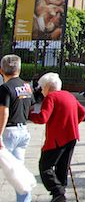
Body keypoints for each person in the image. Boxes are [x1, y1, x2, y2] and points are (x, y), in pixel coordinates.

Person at [28, 72, 85, 202]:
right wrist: (72, 125)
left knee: (45, 167)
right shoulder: (69, 95)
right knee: (62, 167)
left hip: (57, 139)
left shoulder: (51, 97)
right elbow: (82, 112)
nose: (42, 91)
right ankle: (60, 195)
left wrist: (29, 115)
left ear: (47, 87)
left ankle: (57, 192)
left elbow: (43, 118)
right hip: (72, 136)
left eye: (42, 88)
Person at [0, 55, 35, 202]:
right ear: (19, 69)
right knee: (18, 172)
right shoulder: (26, 86)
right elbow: (31, 105)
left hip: (8, 132)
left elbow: (4, 112)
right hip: (22, 131)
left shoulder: (5, 88)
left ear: (1, 70)